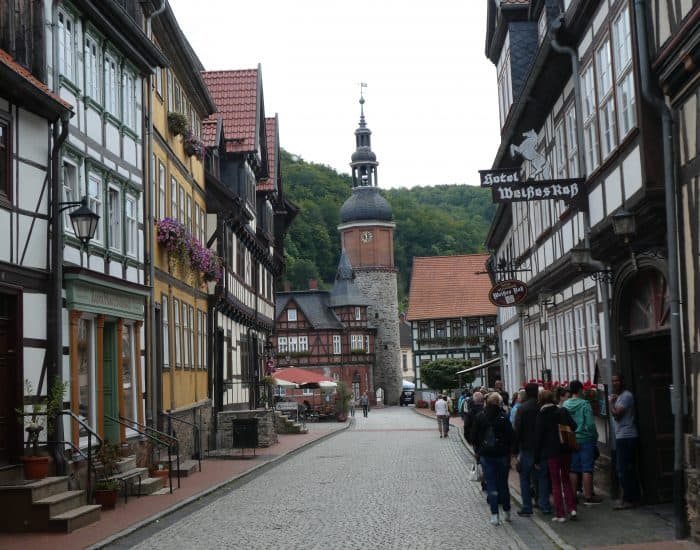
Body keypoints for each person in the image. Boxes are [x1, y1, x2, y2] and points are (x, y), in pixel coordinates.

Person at [535, 390, 578, 523]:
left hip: (551, 452)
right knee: (566, 479)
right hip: (565, 450)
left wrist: (537, 458)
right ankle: (572, 508)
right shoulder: (562, 411)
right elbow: (574, 426)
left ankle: (560, 513)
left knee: (555, 482)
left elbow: (538, 439)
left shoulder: (542, 415)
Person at [471, 392, 514, 526]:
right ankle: (507, 511)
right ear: (499, 403)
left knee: (491, 484)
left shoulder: (480, 416)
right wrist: (509, 451)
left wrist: (478, 451)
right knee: (503, 484)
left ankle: (494, 515)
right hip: (502, 455)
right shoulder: (503, 417)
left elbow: (473, 437)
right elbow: (511, 436)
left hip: (486, 455)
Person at [514, 382, 552, 516]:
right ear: (537, 392)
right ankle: (544, 505)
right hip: (541, 447)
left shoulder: (522, 409)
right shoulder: (541, 407)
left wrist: (515, 449)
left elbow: (517, 429)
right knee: (542, 477)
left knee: (524, 478)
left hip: (526, 447)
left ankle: (527, 507)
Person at [564, 380, 602, 506]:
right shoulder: (585, 404)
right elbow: (590, 424)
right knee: (587, 468)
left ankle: (573, 496)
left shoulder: (566, 404)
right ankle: (588, 496)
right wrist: (594, 436)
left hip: (572, 438)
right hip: (585, 438)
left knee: (573, 468)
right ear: (580, 390)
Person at [609, 373, 641, 509]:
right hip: (621, 436)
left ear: (622, 382)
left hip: (627, 436)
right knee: (625, 468)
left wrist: (611, 403)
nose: (615, 383)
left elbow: (617, 415)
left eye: (617, 380)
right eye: (613, 381)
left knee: (623, 469)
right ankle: (628, 498)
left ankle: (628, 499)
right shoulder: (620, 397)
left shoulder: (626, 396)